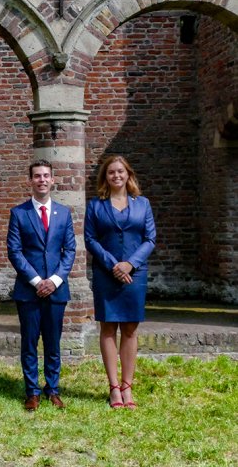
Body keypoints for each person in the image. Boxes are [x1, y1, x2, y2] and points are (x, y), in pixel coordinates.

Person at [84, 155, 156, 409]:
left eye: (120, 171)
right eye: (111, 172)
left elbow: (150, 239)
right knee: (107, 328)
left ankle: (127, 386)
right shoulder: (96, 205)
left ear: (128, 175)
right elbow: (90, 239)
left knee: (130, 329)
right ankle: (114, 387)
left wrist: (130, 264)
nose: (116, 175)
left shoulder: (142, 204)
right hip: (106, 273)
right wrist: (113, 265)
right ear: (105, 177)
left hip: (135, 274)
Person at [7, 159, 76, 411]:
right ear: (30, 181)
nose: (42, 180)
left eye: (46, 175)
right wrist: (37, 281)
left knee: (53, 342)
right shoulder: (19, 213)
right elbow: (15, 252)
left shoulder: (63, 213)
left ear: (53, 179)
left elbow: (70, 250)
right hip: (29, 290)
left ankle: (53, 389)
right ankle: (32, 391)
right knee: (29, 342)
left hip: (57, 290)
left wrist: (55, 281)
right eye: (37, 176)